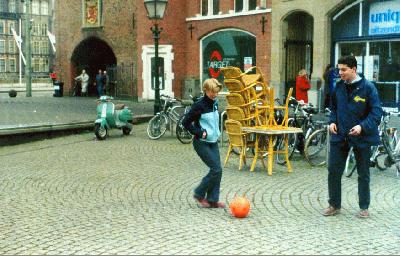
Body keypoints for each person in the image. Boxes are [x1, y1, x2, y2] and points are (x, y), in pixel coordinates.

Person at [323, 55, 383, 218]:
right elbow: (333, 108)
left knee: (363, 173)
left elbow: (377, 113)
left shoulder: (368, 88)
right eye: (338, 69)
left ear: (354, 70)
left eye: (343, 69)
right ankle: (334, 204)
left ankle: (364, 207)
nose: (339, 73)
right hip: (340, 135)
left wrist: (362, 127)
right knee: (333, 170)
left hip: (361, 137)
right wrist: (332, 121)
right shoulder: (338, 87)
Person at [182, 78, 225, 209]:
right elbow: (185, 123)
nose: (215, 94)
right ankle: (199, 193)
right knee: (216, 169)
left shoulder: (215, 103)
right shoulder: (199, 105)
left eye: (216, 92)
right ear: (205, 90)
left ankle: (212, 200)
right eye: (212, 92)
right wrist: (199, 132)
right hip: (201, 143)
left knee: (218, 170)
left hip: (213, 141)